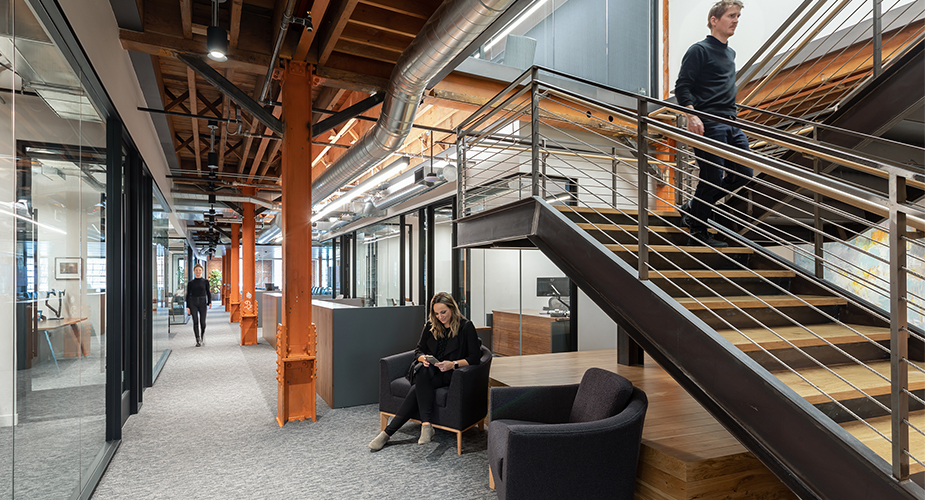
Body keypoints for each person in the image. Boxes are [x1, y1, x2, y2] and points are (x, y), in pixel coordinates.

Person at [675, 0, 752, 248]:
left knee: (744, 173)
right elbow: (682, 86)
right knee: (712, 176)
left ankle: (694, 208)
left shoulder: (730, 53)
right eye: (731, 15)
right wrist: (691, 115)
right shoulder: (699, 50)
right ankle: (697, 229)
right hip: (708, 121)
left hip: (731, 121)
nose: (736, 21)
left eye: (738, 16)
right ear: (714, 20)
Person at [368, 292, 482, 451]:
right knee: (422, 371)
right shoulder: (431, 325)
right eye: (436, 313)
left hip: (449, 374)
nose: (440, 317)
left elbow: (475, 357)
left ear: (452, 309)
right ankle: (426, 425)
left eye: (444, 312)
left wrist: (453, 364)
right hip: (429, 372)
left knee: (417, 387)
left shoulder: (465, 326)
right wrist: (423, 359)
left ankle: (388, 433)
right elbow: (418, 350)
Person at [185, 264, 212, 347]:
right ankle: (197, 339)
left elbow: (208, 292)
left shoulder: (205, 281)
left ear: (202, 271)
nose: (198, 272)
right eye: (196, 270)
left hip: (202, 302)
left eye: (199, 270)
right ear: (194, 271)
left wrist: (209, 302)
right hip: (193, 302)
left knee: (203, 323)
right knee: (195, 321)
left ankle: (202, 335)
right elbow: (188, 294)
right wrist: (187, 306)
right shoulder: (191, 283)